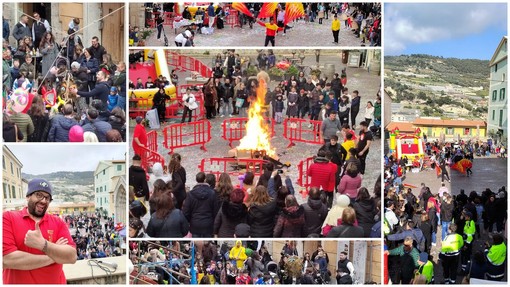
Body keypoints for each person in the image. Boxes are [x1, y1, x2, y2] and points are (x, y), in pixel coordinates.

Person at [3, 178, 77, 284]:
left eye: (47, 198)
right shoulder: (8, 218)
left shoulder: (58, 222)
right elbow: (6, 259)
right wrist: (54, 256)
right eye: (38, 195)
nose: (43, 200)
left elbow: (72, 257)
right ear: (28, 196)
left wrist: (44, 245)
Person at [182, 172, 219, 237]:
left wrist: (191, 221)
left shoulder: (190, 194)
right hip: (208, 224)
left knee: (196, 244)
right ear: (205, 180)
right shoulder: (212, 193)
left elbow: (186, 212)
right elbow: (215, 211)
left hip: (195, 224)